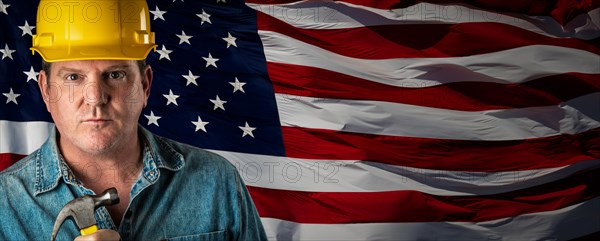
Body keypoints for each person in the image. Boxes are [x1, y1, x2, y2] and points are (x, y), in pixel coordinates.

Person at [0, 0, 268, 240]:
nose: (95, 97)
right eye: (73, 77)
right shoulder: (5, 204)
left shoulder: (216, 182)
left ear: (145, 85)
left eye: (115, 75)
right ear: (46, 91)